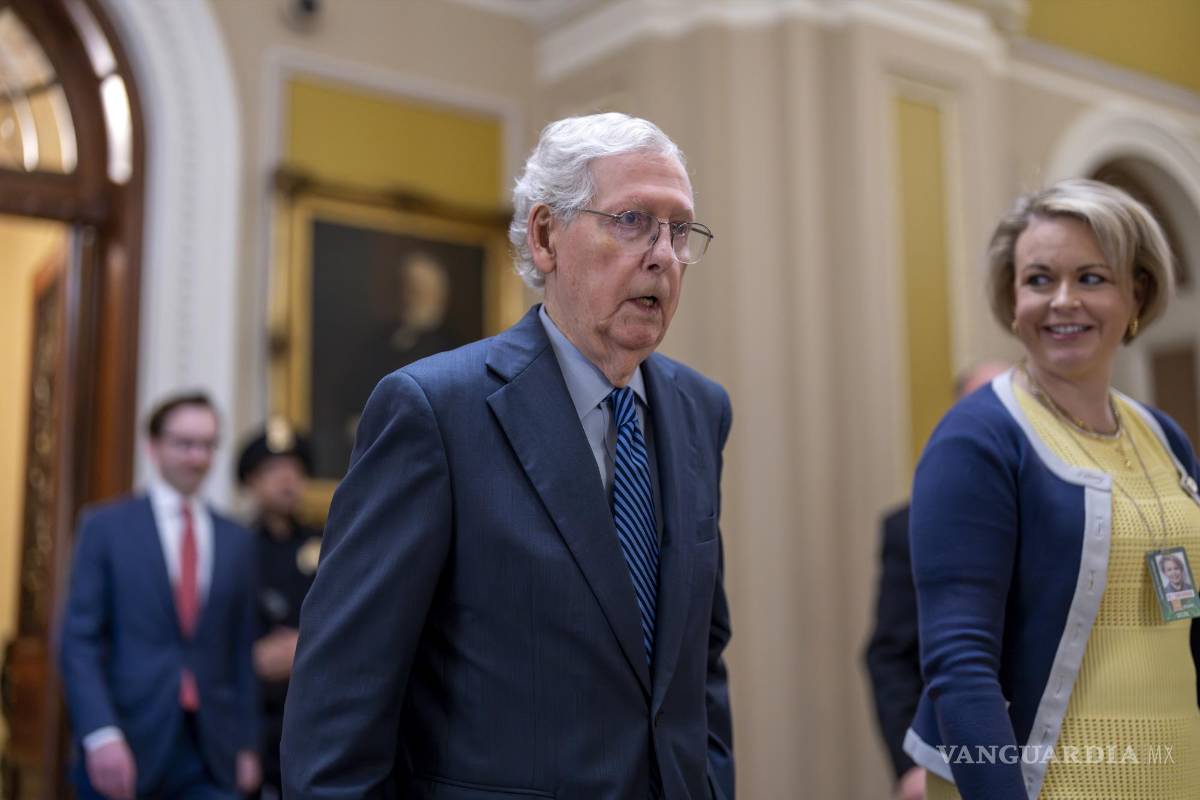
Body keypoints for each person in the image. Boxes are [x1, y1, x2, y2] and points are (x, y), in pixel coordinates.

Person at [280, 112, 733, 799]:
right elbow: (341, 700)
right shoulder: (433, 411)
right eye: (633, 220)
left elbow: (698, 665)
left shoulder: (699, 409)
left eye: (678, 230)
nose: (663, 256)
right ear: (546, 237)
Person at [904, 179, 1200, 799]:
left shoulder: (1163, 435)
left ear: (1137, 292)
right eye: (1039, 280)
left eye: (1091, 278)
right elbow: (960, 665)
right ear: (1013, 300)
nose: (1064, 301)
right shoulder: (977, 437)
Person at [59, 392, 260, 799]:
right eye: (184, 443)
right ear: (153, 447)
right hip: (126, 742)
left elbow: (241, 650)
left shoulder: (236, 539)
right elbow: (79, 641)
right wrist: (100, 733)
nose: (197, 457)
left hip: (211, 752)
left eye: (208, 445)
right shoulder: (106, 528)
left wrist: (248, 744)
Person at [863, 361, 1006, 800]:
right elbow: (891, 657)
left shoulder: (1062, 516)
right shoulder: (910, 528)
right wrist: (910, 766)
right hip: (951, 759)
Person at [235, 419, 322, 800]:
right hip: (256, 717)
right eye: (274, 470)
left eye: (294, 470)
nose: (287, 480)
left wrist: (304, 648)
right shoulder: (236, 547)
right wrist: (251, 657)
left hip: (312, 714)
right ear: (251, 480)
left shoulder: (328, 544)